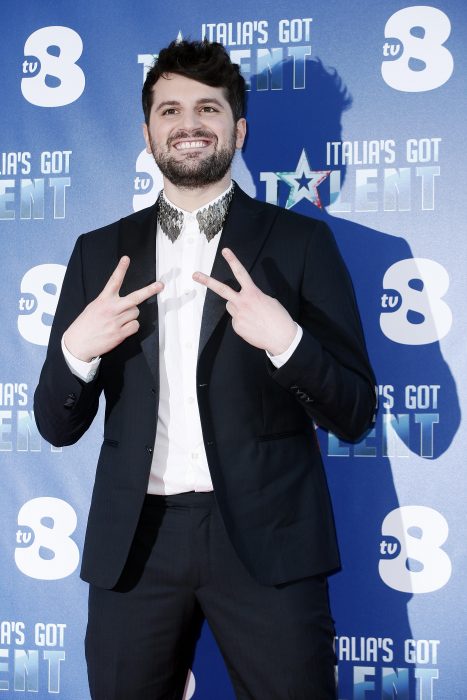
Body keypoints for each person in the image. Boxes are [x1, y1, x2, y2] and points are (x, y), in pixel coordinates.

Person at [34, 39, 376, 700]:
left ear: (238, 129)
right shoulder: (98, 252)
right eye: (170, 110)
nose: (188, 124)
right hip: (135, 544)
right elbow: (55, 425)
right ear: (147, 134)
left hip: (270, 537)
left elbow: (355, 412)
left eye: (207, 108)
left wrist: (287, 343)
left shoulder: (301, 243)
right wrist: (77, 353)